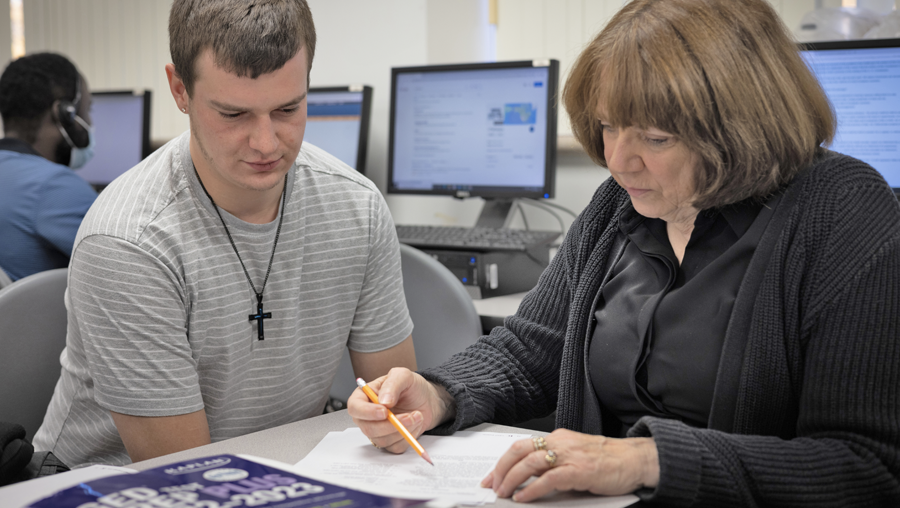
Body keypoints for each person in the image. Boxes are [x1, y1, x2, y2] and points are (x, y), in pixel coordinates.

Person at [349, 0, 900, 505]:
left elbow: (866, 465)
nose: (618, 160)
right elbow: (532, 350)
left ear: (743, 130)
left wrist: (646, 460)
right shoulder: (621, 203)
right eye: (609, 127)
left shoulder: (843, 212)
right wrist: (438, 393)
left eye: (656, 139)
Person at [33, 0, 416, 468]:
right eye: (233, 115)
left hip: (282, 470)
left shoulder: (357, 207)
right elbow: (187, 475)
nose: (266, 143)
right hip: (109, 487)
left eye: (288, 108)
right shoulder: (129, 242)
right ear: (180, 90)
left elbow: (396, 412)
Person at [0, 53, 98, 281]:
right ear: (63, 113)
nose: (90, 123)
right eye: (87, 110)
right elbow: (135, 262)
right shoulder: (53, 187)